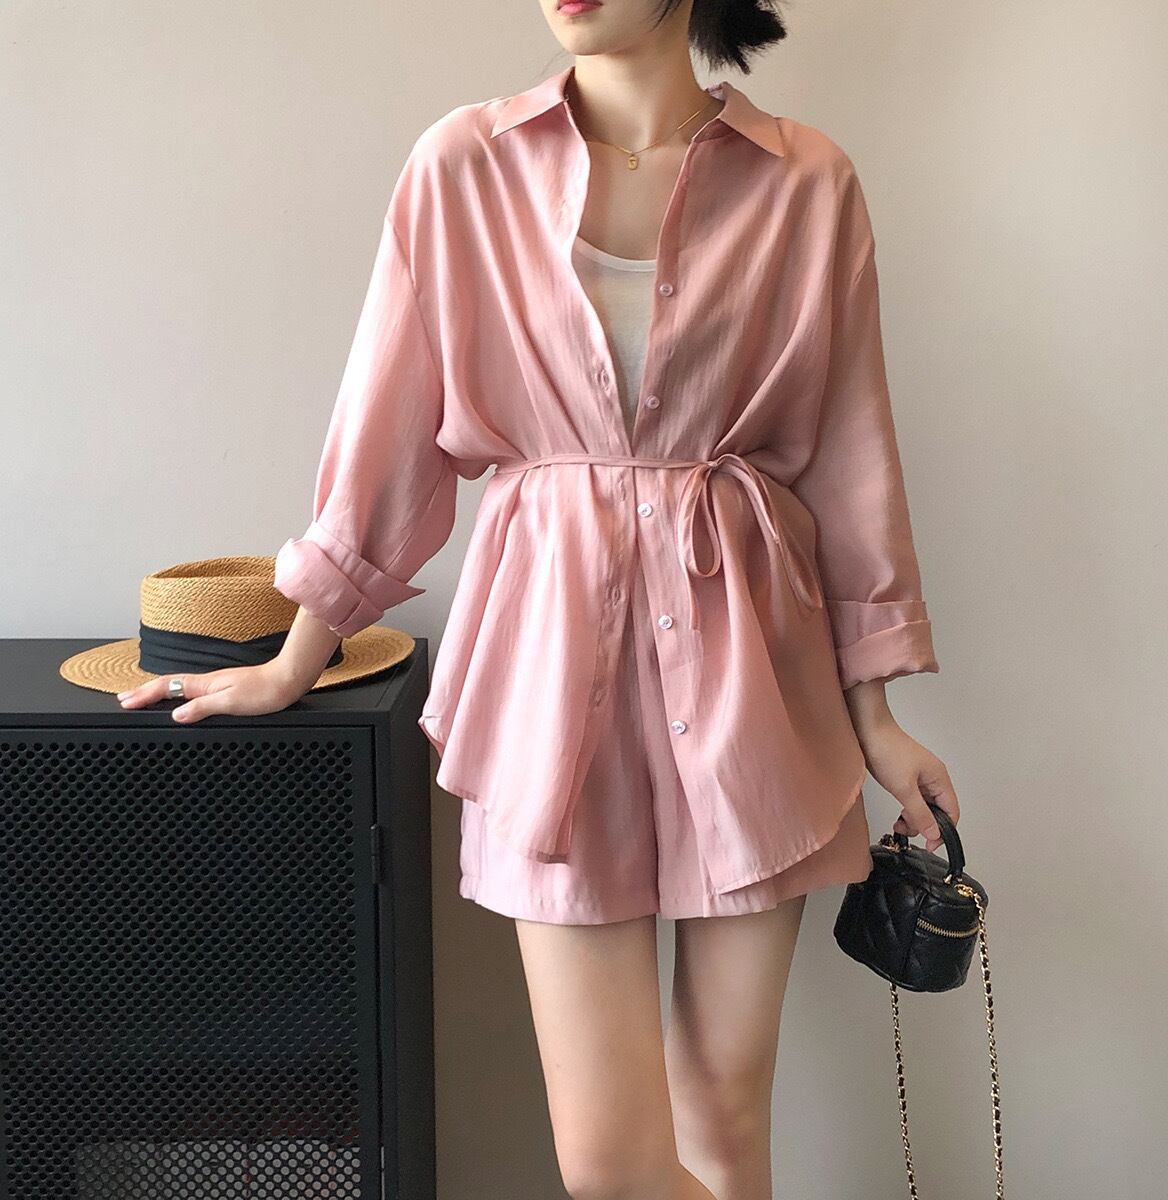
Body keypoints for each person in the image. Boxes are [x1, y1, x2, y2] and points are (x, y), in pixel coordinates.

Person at [119, 2, 960, 1196]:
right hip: (547, 680)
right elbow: (390, 433)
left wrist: (877, 714)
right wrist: (297, 657)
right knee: (610, 1165)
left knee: (726, 1119)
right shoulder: (462, 165)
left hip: (756, 679)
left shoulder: (806, 180)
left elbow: (849, 451)